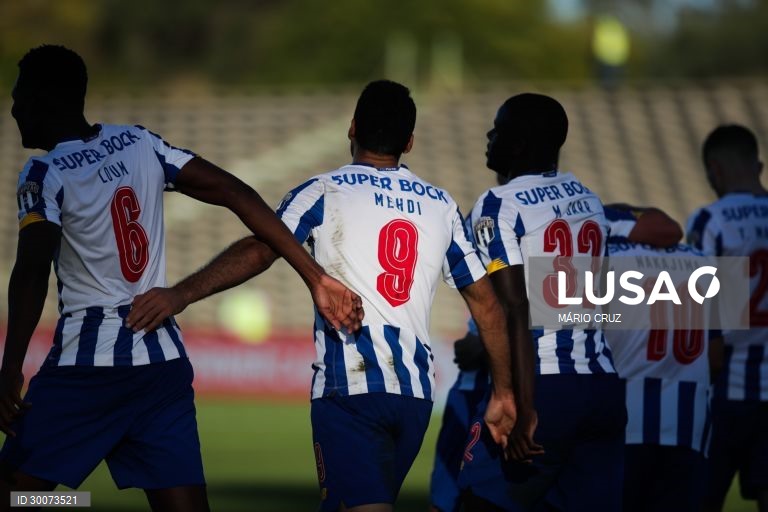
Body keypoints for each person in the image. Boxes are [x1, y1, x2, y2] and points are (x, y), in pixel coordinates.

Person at [0, 45, 363, 512]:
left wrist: (11, 367)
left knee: (17, 495)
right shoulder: (138, 142)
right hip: (161, 361)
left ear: (45, 98)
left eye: (19, 94)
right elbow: (235, 191)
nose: (13, 107)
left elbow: (31, 272)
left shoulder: (44, 171)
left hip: (87, 367)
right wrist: (313, 276)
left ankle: (77, 504)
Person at [126, 79, 518, 512]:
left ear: (351, 128)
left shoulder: (324, 191)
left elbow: (261, 249)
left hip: (350, 389)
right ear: (408, 142)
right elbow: (487, 306)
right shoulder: (441, 205)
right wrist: (503, 392)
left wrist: (181, 293)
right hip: (415, 397)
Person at [459, 93, 627, 511]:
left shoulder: (499, 203)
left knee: (479, 502)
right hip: (603, 384)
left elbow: (517, 308)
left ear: (517, 145)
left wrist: (524, 405)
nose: (488, 136)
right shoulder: (586, 197)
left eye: (497, 129)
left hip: (545, 385)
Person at [604, 205, 723, 512]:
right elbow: (715, 357)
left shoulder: (606, 261)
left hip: (623, 424)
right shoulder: (701, 262)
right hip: (689, 426)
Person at [686, 124, 768, 512]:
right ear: (759, 166)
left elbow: (700, 314)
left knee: (700, 499)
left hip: (723, 393)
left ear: (714, 171)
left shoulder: (711, 220)